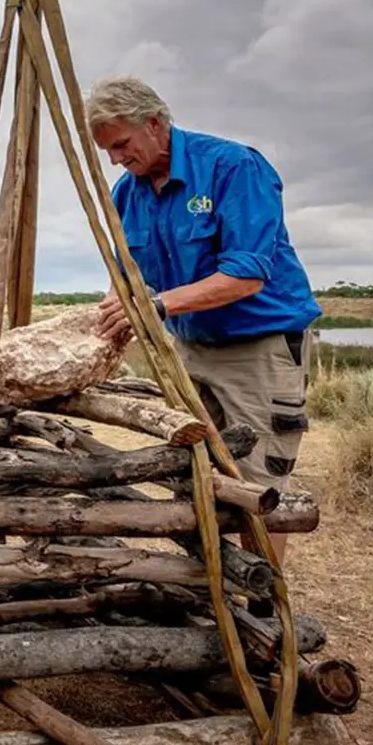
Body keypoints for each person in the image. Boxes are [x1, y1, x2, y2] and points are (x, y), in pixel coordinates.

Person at [84, 77, 321, 579]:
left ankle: (258, 600)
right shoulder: (128, 191)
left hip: (258, 348)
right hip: (190, 349)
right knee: (193, 467)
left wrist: (153, 308)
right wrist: (115, 308)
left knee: (258, 481)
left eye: (121, 145)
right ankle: (211, 581)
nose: (115, 160)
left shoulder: (234, 167)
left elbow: (247, 271)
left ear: (155, 123)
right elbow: (127, 272)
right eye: (106, 151)